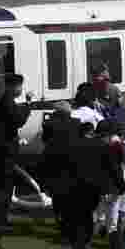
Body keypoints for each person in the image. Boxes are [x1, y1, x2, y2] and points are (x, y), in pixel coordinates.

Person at [62, 121, 124, 249]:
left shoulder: (75, 144)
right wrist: (121, 185)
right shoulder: (104, 147)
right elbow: (113, 169)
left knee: (78, 218)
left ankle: (78, 246)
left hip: (74, 186)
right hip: (93, 188)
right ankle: (83, 243)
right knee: (90, 218)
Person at [0, 73, 33, 227]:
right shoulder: (7, 102)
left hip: (1, 145)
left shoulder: (6, 101)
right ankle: (0, 217)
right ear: (13, 86)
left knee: (1, 182)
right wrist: (28, 104)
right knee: (4, 182)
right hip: (3, 146)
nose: (21, 89)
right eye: (19, 86)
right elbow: (18, 120)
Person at [41, 101, 80, 241]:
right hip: (73, 164)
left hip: (54, 164)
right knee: (71, 197)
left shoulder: (49, 124)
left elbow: (44, 140)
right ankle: (69, 225)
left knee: (57, 197)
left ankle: (60, 222)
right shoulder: (77, 123)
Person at [95, 119, 125, 242]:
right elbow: (119, 166)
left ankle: (100, 228)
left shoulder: (100, 144)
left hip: (101, 183)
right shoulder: (117, 146)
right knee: (113, 209)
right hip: (113, 183)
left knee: (101, 208)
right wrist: (121, 184)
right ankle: (111, 233)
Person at [92, 62, 125, 132]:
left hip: (113, 128)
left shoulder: (114, 91)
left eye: (102, 81)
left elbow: (122, 113)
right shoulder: (92, 91)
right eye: (95, 80)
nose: (96, 83)